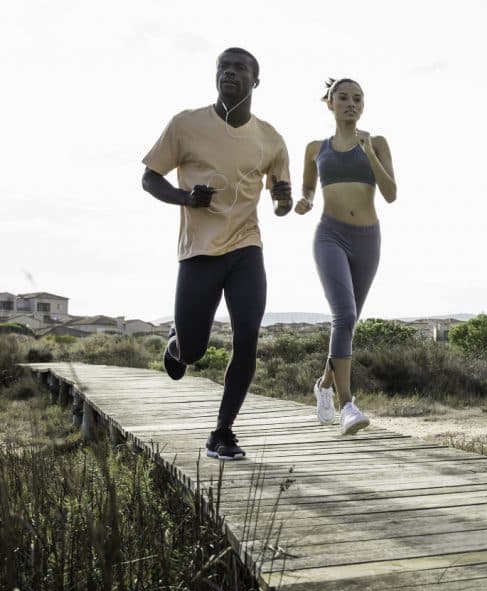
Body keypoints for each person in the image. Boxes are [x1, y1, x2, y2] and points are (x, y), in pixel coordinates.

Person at [141, 47, 292, 460]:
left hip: (246, 248)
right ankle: (177, 347)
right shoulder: (186, 124)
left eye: (239, 68)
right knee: (194, 349)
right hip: (199, 253)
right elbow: (150, 178)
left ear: (254, 81)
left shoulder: (271, 139)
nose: (229, 72)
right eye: (223, 67)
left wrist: (282, 200)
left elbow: (280, 202)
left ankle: (222, 432)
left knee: (247, 336)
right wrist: (186, 198)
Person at [296, 78, 397, 435]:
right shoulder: (314, 148)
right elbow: (308, 186)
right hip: (330, 235)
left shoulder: (377, 142)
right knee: (345, 314)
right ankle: (347, 405)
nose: (351, 104)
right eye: (344, 98)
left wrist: (368, 152)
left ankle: (324, 386)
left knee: (348, 323)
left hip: (368, 239)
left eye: (358, 99)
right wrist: (305, 200)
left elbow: (391, 194)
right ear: (331, 104)